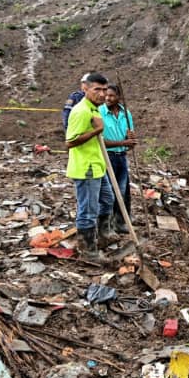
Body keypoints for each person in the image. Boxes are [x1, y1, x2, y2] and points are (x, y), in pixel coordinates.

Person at [65, 72, 116, 259]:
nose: (102, 94)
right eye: (97, 90)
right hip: (86, 169)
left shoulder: (95, 109)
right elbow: (70, 142)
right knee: (88, 210)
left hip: (97, 166)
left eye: (104, 90)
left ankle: (103, 235)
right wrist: (97, 130)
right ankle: (88, 250)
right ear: (84, 88)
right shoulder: (81, 111)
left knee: (108, 200)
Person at [99, 84, 136, 234]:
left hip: (121, 157)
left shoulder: (125, 114)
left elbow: (129, 138)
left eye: (112, 95)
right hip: (107, 157)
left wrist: (131, 141)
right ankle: (107, 226)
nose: (108, 98)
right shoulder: (100, 112)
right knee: (109, 193)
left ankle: (121, 223)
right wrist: (123, 142)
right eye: (106, 95)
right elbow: (99, 140)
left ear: (119, 97)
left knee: (123, 191)